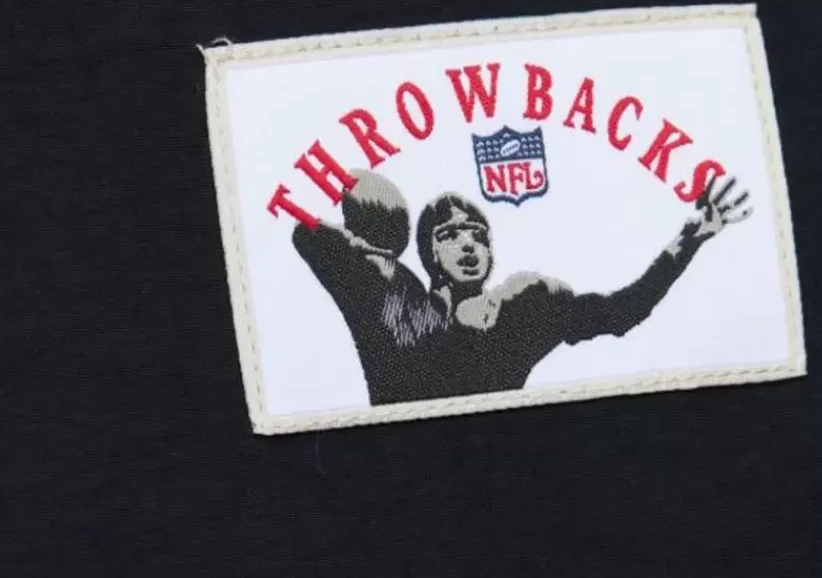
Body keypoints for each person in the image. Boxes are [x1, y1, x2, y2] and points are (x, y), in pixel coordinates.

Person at [292, 169, 752, 405]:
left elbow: (622, 312)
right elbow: (308, 236)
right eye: (449, 235)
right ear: (429, 253)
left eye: (477, 234)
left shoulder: (522, 312)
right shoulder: (397, 299)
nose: (467, 243)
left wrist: (689, 239)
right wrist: (377, 239)